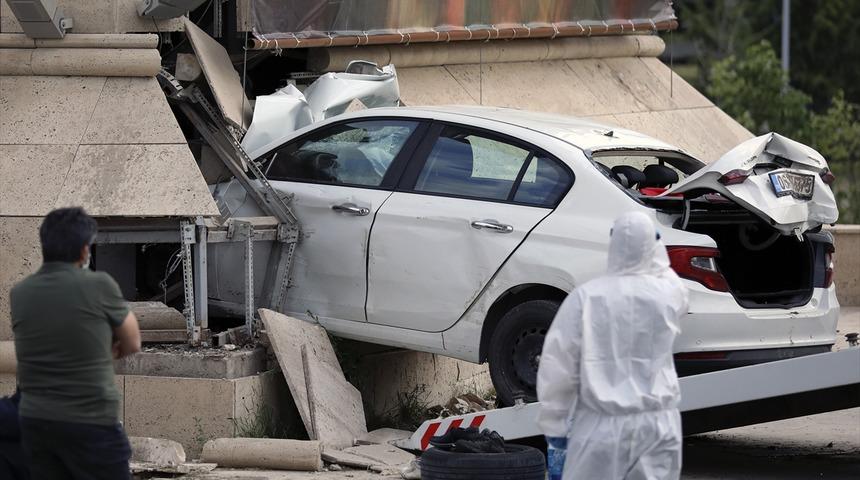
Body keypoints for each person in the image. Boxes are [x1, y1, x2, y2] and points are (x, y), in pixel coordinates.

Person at [537, 211, 689, 480]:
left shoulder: (585, 298)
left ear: (613, 245)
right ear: (655, 244)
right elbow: (665, 273)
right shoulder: (669, 294)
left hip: (599, 427)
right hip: (657, 426)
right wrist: (650, 244)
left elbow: (557, 368)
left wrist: (556, 429)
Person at [11, 207, 141, 479]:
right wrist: (106, 350)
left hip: (36, 423)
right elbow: (132, 341)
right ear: (84, 250)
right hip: (90, 420)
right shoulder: (100, 285)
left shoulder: (20, 293)